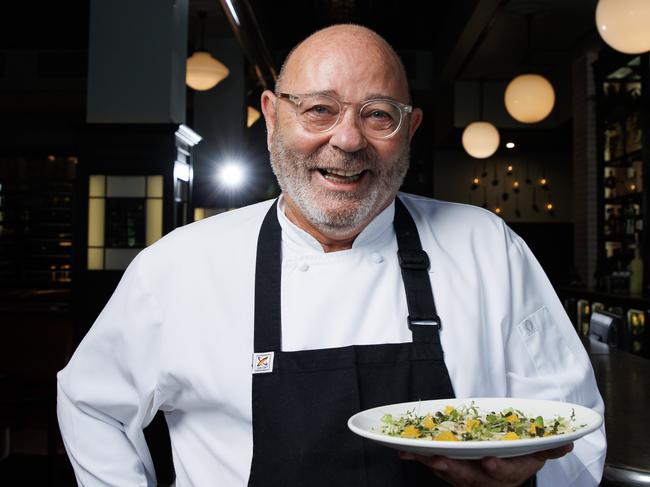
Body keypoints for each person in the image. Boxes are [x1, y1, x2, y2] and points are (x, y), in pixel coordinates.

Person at [57, 24, 606, 486]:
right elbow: (92, 405)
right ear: (272, 117)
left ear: (409, 129)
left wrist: (528, 481)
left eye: (378, 115)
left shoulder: (488, 248)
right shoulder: (180, 266)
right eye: (319, 110)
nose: (347, 140)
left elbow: (575, 423)